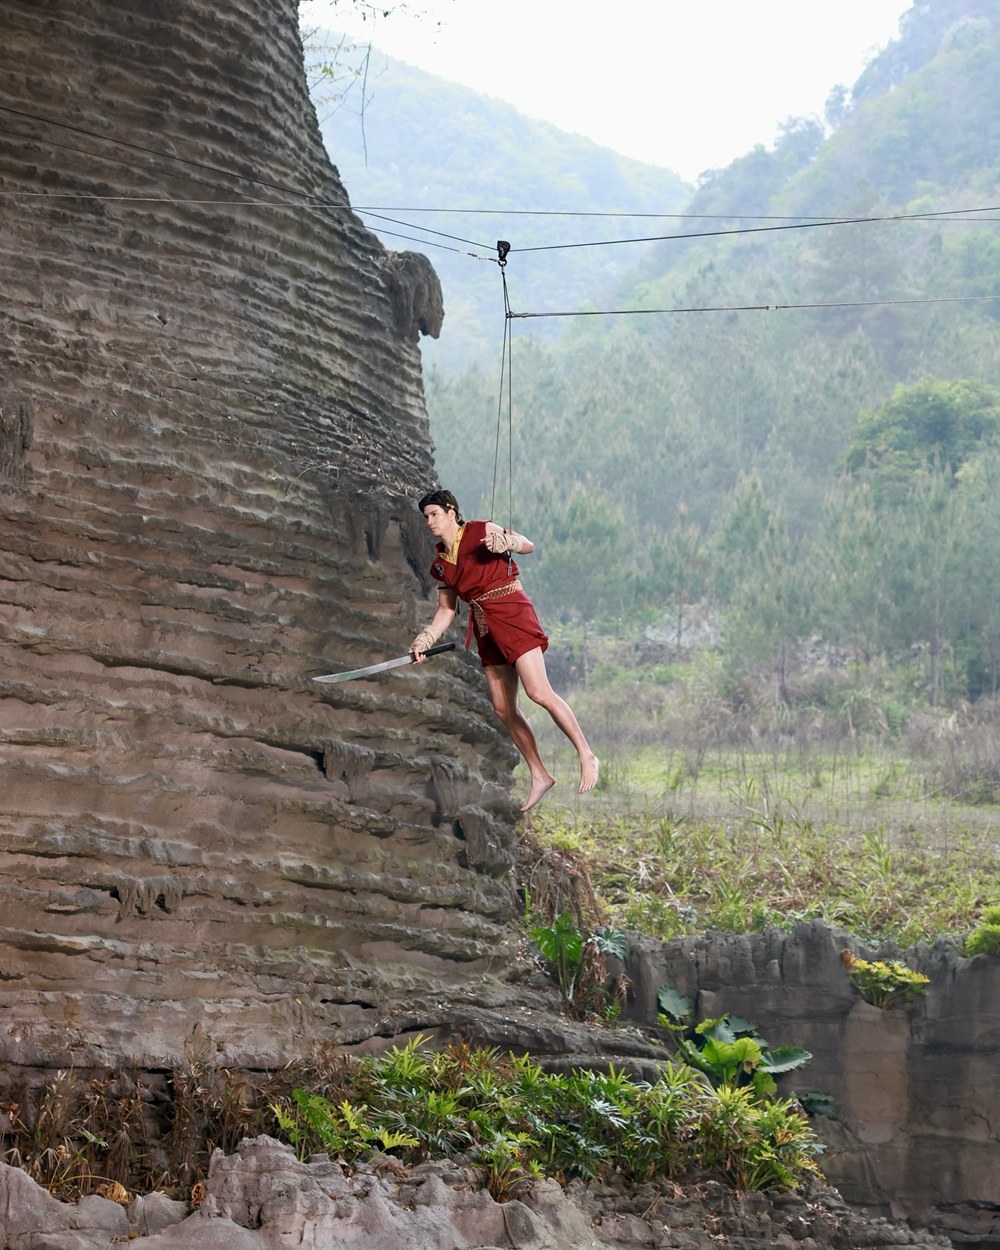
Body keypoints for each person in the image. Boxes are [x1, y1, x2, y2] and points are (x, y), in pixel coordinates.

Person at [411, 489, 599, 812]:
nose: (430, 522)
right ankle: (539, 773)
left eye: (434, 514)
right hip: (486, 627)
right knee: (503, 709)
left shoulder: (482, 530)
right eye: (426, 517)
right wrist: (425, 638)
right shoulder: (441, 563)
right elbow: (446, 610)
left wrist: (508, 543)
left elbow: (528, 544)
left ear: (451, 512)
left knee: (538, 691)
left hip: (511, 612)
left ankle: (586, 753)